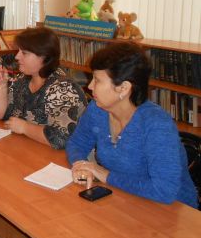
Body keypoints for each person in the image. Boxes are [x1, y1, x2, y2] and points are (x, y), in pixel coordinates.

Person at [67, 42, 198, 207]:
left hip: (172, 210)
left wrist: (104, 174)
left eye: (97, 80)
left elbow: (164, 191)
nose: (90, 86)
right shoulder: (98, 109)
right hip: (125, 198)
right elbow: (76, 143)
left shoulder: (157, 125)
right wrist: (81, 165)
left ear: (123, 88)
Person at [0, 27, 86, 149]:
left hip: (55, 156)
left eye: (24, 53)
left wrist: (25, 127)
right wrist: (1, 86)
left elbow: (60, 138)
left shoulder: (63, 88)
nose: (17, 57)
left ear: (44, 56)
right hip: (27, 147)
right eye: (19, 51)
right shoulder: (23, 79)